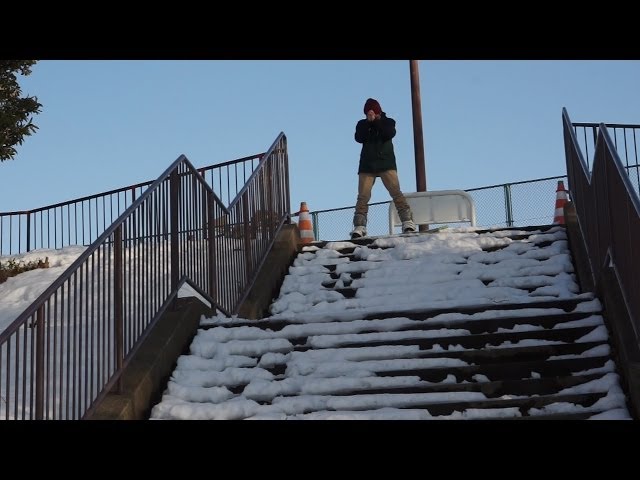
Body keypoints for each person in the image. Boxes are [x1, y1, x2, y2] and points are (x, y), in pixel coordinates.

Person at [350, 98, 416, 239]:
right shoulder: (362, 124)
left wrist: (377, 122)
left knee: (396, 193)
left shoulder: (388, 122)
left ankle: (407, 221)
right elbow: (359, 137)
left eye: (373, 111)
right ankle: (359, 226)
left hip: (386, 164)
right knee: (363, 197)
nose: (371, 114)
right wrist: (368, 124)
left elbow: (389, 133)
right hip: (367, 166)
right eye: (368, 112)